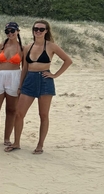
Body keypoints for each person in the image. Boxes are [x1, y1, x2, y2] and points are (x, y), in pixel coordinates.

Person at [5, 20, 72, 154]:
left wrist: (55, 75)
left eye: (41, 29)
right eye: (36, 28)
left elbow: (68, 60)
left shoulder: (51, 46)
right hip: (29, 80)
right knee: (19, 114)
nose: (38, 31)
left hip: (45, 80)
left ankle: (40, 145)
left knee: (43, 115)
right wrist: (20, 86)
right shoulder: (27, 47)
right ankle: (16, 142)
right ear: (33, 30)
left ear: (46, 31)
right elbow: (25, 68)